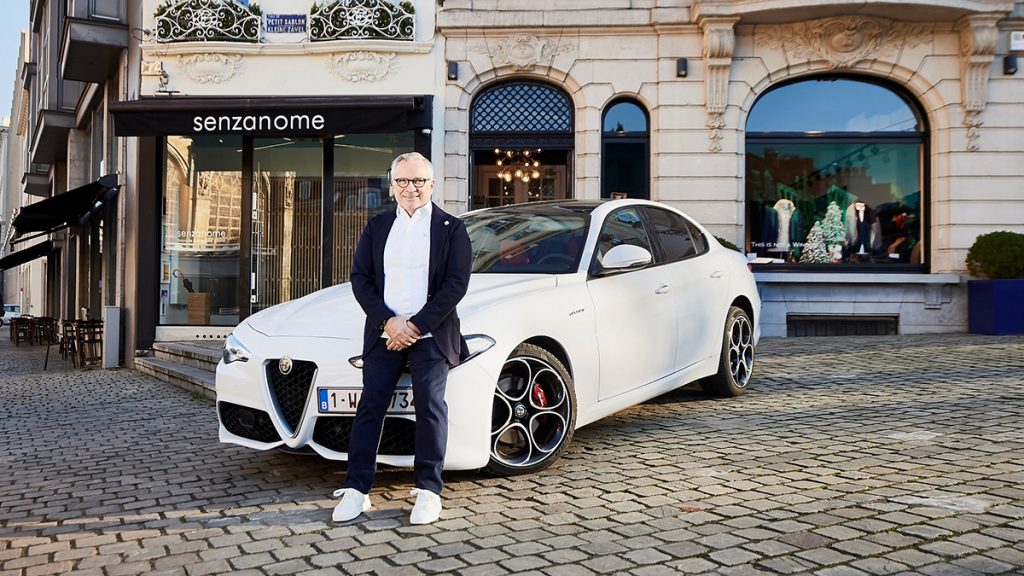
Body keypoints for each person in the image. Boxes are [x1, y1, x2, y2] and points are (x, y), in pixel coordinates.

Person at [332, 152, 472, 525]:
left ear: (432, 184)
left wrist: (414, 326)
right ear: (392, 184)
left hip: (431, 335)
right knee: (369, 407)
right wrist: (389, 323)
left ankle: (428, 491)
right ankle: (357, 490)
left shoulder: (452, 228)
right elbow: (361, 279)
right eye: (402, 181)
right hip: (384, 334)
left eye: (418, 181)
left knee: (430, 407)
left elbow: (456, 284)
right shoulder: (376, 227)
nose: (410, 189)